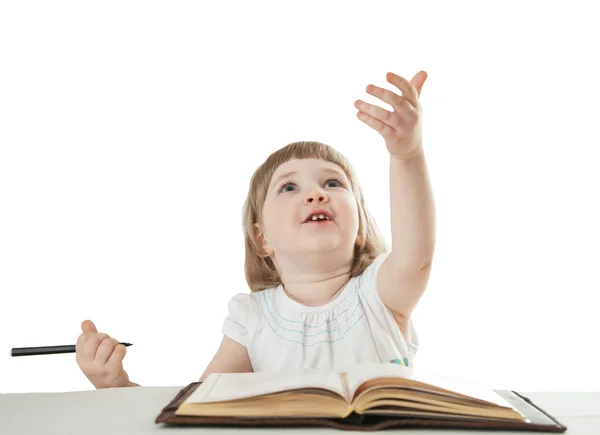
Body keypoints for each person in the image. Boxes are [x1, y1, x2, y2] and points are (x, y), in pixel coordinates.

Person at [75, 70, 436, 389]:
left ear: (359, 227)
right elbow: (199, 409)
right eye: (289, 187)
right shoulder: (252, 319)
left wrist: (407, 154)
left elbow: (415, 256)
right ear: (262, 238)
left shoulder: (381, 293)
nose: (315, 194)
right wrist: (116, 385)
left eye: (332, 183)